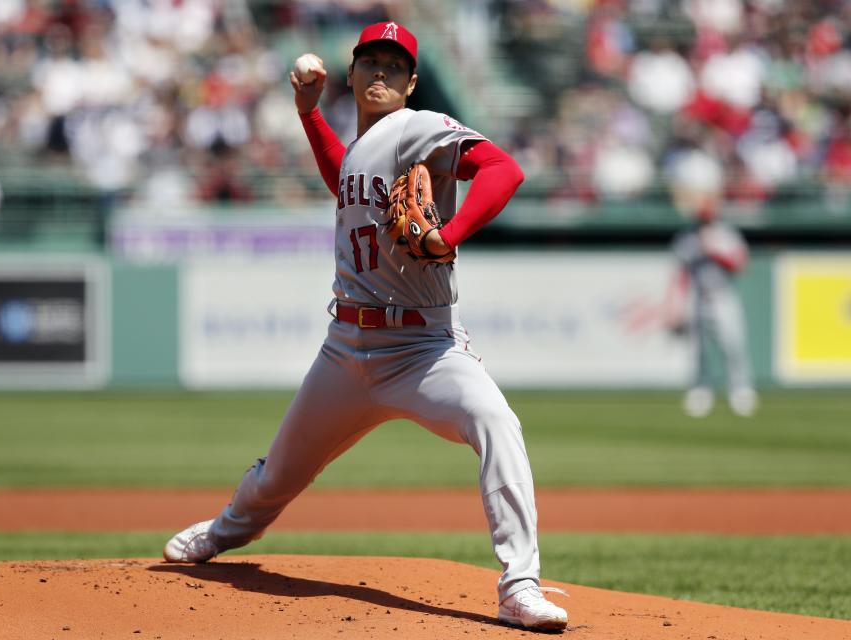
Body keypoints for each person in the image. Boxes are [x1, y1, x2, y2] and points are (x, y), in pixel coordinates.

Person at [162, 21, 569, 631]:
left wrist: (448, 236)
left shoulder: (419, 126)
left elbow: (504, 170)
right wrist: (308, 114)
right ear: (350, 75)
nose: (381, 72)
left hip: (423, 349)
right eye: (369, 62)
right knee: (279, 473)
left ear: (410, 83)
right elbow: (344, 183)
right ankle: (222, 533)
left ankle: (519, 584)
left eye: (394, 65)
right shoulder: (362, 147)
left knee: (496, 424)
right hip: (346, 350)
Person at [663, 149, 758, 418]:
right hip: (698, 297)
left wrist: (714, 251)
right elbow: (680, 272)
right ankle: (701, 390)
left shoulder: (725, 234)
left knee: (733, 346)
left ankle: (741, 390)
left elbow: (741, 263)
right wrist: (676, 305)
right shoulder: (688, 237)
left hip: (723, 294)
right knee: (700, 350)